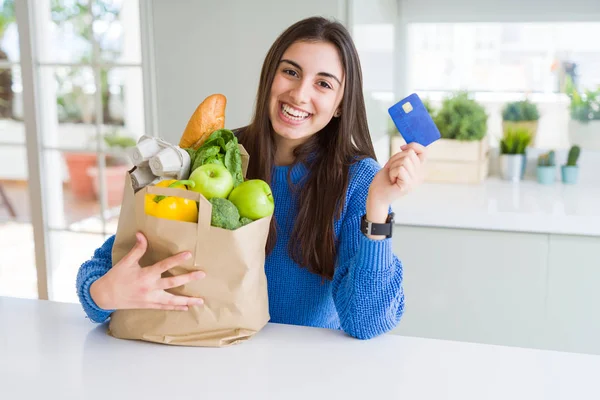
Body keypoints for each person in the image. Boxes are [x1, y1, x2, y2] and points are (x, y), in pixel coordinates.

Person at [76, 16, 427, 340]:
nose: (299, 94)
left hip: (304, 373)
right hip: (208, 354)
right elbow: (104, 268)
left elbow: (366, 322)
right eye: (290, 72)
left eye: (323, 83)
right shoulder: (217, 154)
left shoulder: (358, 179)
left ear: (339, 104)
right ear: (269, 76)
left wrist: (378, 207)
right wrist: (103, 293)